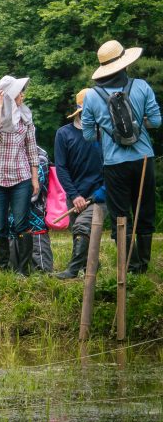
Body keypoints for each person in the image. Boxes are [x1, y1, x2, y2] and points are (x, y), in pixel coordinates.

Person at [81, 39, 161, 274]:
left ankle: (130, 266)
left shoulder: (92, 96)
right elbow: (156, 121)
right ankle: (144, 266)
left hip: (114, 163)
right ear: (125, 62)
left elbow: (87, 135)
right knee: (144, 211)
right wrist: (138, 125)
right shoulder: (141, 86)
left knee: (120, 215)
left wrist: (106, 130)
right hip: (144, 158)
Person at [0, 76, 39, 275]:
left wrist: (34, 178)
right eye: (18, 92)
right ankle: (4, 271)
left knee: (22, 224)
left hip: (20, 178)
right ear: (7, 96)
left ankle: (24, 271)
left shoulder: (26, 117)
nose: (22, 94)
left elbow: (32, 148)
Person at [53, 89, 105, 279]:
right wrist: (74, 196)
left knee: (83, 227)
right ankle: (92, 267)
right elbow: (61, 168)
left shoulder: (104, 133)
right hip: (75, 195)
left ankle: (73, 270)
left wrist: (102, 191)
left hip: (98, 195)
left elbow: (111, 166)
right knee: (81, 232)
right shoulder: (64, 134)